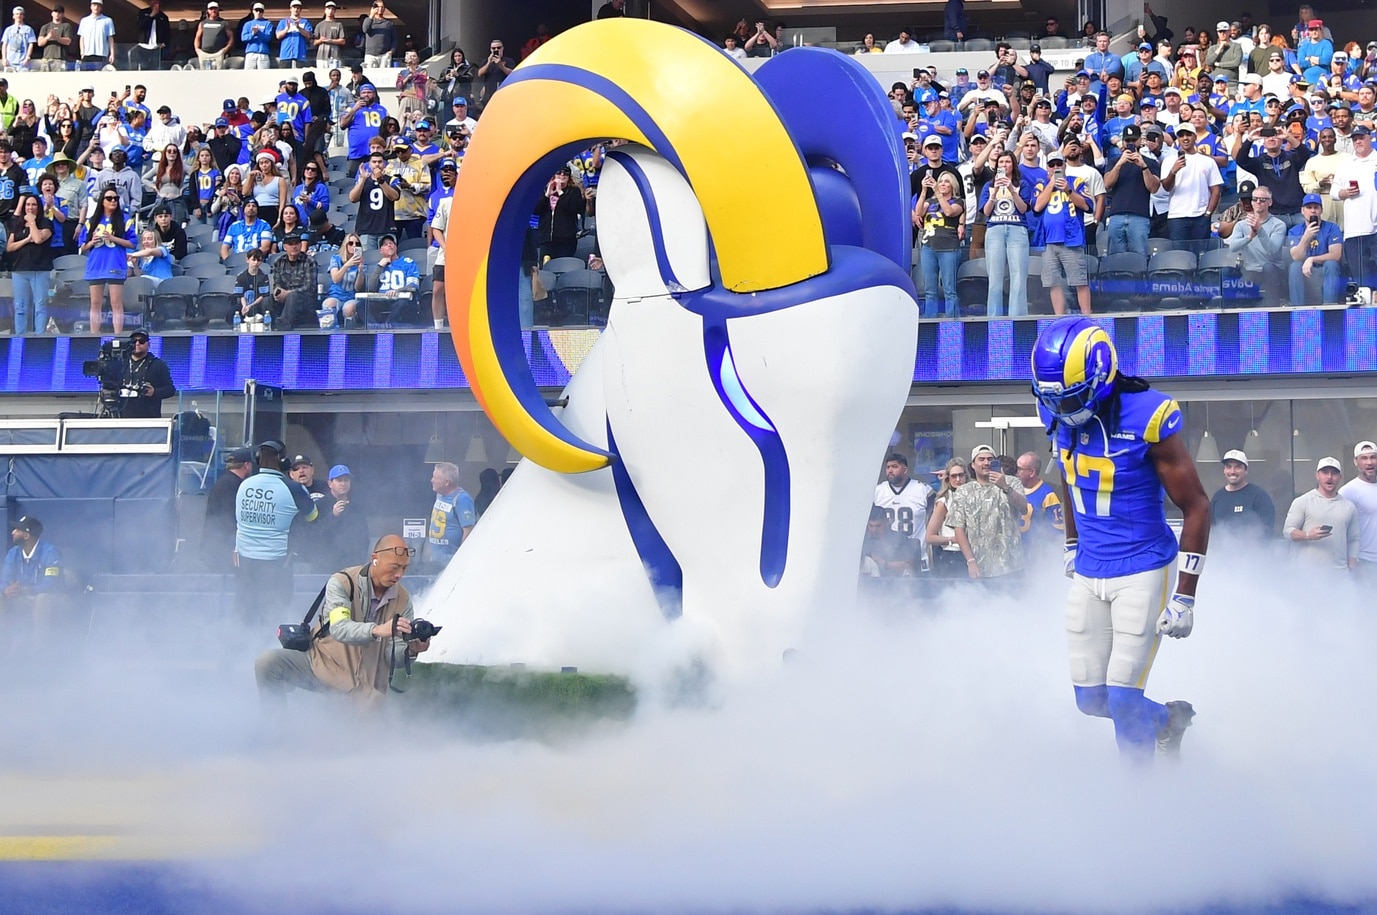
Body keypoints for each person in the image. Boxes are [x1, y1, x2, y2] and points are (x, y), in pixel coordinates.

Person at [1031, 316, 1210, 760]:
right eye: (1057, 399)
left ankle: (1140, 796)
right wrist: (1072, 543)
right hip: (1090, 567)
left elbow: (1197, 505)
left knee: (1125, 701)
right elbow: (1070, 475)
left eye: (1073, 396)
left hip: (1142, 567)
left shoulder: (1148, 414)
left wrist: (1185, 595)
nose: (1065, 409)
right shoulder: (1055, 409)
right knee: (1091, 700)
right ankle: (1168, 721)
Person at [253, 534, 429, 705]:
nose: (399, 574)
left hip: (365, 684)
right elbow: (339, 627)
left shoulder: (403, 600)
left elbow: (392, 657)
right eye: (394, 567)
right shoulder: (342, 582)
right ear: (375, 559)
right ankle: (276, 723)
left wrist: (411, 650)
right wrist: (377, 630)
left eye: (404, 568)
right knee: (267, 663)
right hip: (323, 665)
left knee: (369, 710)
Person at [234, 439, 318, 625]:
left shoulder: (244, 485)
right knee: (274, 616)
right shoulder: (293, 489)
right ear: (284, 462)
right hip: (276, 565)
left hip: (245, 563)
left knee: (244, 615)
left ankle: (239, 642)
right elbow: (312, 516)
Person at [949, 444, 1027, 584]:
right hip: (981, 568)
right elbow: (959, 529)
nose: (986, 463)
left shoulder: (1012, 482)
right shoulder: (963, 491)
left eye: (990, 459)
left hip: (1012, 566)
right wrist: (970, 561)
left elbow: (1024, 508)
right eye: (981, 459)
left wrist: (1005, 487)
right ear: (973, 465)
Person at [1284, 456, 1359, 572]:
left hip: (1339, 573)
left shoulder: (1349, 507)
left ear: (1340, 477)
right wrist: (1308, 535)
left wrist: (1352, 566)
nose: (1329, 477)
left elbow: (1353, 539)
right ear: (1317, 475)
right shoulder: (1303, 501)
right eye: (1325, 472)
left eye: (1334, 473)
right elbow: (1287, 531)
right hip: (1307, 573)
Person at [78, 187, 136, 334]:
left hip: (115, 263)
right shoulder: (92, 221)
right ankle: (94, 335)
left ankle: (118, 335)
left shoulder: (124, 219)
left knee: (116, 302)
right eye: (109, 198)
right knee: (95, 303)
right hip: (96, 264)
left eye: (115, 198)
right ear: (102, 201)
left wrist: (112, 238)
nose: (113, 201)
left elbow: (132, 243)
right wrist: (92, 242)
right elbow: (82, 247)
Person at [1, 516, 64, 638]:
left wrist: (27, 590)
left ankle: (39, 647)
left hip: (52, 598)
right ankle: (3, 643)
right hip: (24, 596)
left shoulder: (51, 552)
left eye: (17, 530)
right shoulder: (13, 552)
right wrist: (6, 589)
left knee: (42, 599)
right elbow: (4, 580)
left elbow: (52, 584)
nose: (13, 532)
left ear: (26, 535)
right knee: (1, 595)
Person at [873, 452, 932, 572]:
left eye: (895, 467)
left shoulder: (922, 489)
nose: (890, 470)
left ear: (905, 470)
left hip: (916, 556)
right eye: (888, 467)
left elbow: (935, 517)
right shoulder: (878, 491)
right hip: (886, 557)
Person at [6, 193, 54, 334]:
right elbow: (10, 247)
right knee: (20, 306)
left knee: (40, 306)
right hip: (19, 270)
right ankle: (20, 336)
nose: (30, 207)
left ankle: (39, 336)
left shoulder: (45, 223)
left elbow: (38, 239)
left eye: (33, 204)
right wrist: (27, 240)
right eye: (28, 204)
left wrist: (32, 222)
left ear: (38, 207)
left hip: (40, 270)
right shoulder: (17, 224)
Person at [1288, 192, 1346, 305]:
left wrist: (1312, 259)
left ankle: (1329, 306)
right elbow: (1296, 256)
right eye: (1309, 207)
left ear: (1321, 210)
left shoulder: (1332, 228)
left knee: (1331, 264)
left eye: (1316, 207)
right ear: (1302, 210)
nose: (1313, 211)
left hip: (1325, 269)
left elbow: (1336, 255)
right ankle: (1297, 309)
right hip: (1305, 271)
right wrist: (1306, 237)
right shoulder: (1294, 231)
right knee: (1295, 266)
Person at [1209, 449, 1277, 545]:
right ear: (1224, 470)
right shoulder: (1217, 497)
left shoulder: (1259, 496)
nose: (1232, 471)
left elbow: (1267, 531)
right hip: (1220, 553)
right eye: (1228, 467)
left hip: (1251, 553)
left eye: (1238, 467)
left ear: (1246, 470)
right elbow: (1211, 531)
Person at [202, 446, 254, 571]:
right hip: (221, 550)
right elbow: (229, 518)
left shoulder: (225, 481)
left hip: (215, 547)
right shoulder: (232, 485)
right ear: (247, 465)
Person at [423, 461, 475, 570]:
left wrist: (460, 559)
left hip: (450, 562)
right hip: (436, 559)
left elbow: (468, 531)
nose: (432, 480)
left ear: (446, 482)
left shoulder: (462, 499)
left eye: (435, 477)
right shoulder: (439, 495)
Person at [319, 464, 369, 571]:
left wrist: (360, 560)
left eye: (346, 480)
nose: (343, 484)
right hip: (327, 564)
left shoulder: (356, 506)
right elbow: (315, 534)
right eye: (339, 480)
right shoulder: (321, 505)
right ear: (330, 483)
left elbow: (364, 536)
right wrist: (333, 516)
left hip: (352, 564)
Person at [118, 329, 176, 418]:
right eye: (134, 341)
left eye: (141, 341)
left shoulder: (158, 364)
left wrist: (154, 392)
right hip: (122, 418)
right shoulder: (121, 363)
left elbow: (170, 389)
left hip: (149, 418)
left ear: (148, 344)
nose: (137, 344)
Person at [1339, 440, 1377, 575]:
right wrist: (1351, 560)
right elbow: (1341, 528)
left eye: (1373, 457)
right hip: (1365, 561)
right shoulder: (1348, 491)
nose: (1369, 462)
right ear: (1356, 462)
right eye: (1364, 458)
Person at [269, 230, 317, 328]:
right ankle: (270, 325)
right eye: (290, 244)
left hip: (305, 300)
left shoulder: (310, 261)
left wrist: (288, 293)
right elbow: (277, 282)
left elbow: (310, 287)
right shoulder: (279, 262)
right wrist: (278, 291)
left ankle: (283, 326)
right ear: (284, 247)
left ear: (300, 245)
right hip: (285, 298)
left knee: (293, 296)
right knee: (267, 300)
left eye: (296, 243)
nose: (294, 246)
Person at [1016, 451, 1064, 549]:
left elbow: (1057, 530)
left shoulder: (1048, 495)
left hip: (1035, 551)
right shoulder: (1014, 489)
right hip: (1016, 550)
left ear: (1032, 472)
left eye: (1020, 469)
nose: (1017, 473)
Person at [860, 504, 914, 579]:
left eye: (878, 526)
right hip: (868, 582)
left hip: (895, 581)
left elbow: (910, 565)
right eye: (871, 526)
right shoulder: (862, 541)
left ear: (887, 522)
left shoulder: (899, 539)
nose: (874, 530)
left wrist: (885, 564)